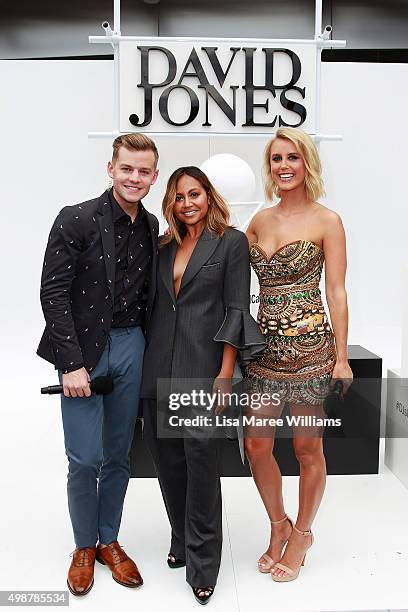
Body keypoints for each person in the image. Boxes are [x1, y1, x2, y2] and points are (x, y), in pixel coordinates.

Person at [37, 133, 159, 596]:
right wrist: (70, 364)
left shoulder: (150, 227)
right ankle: (83, 546)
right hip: (84, 350)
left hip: (133, 345)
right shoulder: (77, 218)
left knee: (118, 457)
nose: (134, 177)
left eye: (143, 171)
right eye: (126, 168)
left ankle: (109, 540)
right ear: (111, 169)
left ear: (153, 176)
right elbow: (53, 292)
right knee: (84, 458)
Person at [140, 166, 265, 605]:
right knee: (169, 465)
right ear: (170, 204)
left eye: (194, 194)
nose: (187, 203)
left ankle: (203, 562)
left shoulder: (231, 243)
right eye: (179, 197)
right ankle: (181, 539)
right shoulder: (162, 247)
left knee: (202, 467)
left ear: (208, 196)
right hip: (157, 370)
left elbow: (235, 310)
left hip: (203, 371)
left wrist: (225, 374)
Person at [244, 127, 353, 582]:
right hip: (264, 353)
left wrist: (342, 357)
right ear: (268, 168)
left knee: (307, 449)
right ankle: (278, 525)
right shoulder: (258, 221)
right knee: (256, 445)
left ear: (307, 162)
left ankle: (303, 534)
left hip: (311, 351)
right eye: (276, 159)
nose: (284, 166)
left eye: (292, 157)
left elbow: (337, 291)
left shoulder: (328, 220)